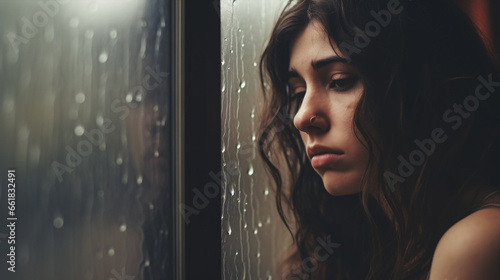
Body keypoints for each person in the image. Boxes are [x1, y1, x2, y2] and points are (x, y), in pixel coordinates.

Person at [257, 0, 500, 279]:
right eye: (299, 93)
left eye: (339, 81)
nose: (301, 117)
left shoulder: (477, 240)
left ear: (419, 88)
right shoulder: (368, 239)